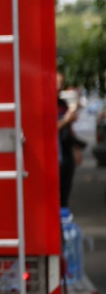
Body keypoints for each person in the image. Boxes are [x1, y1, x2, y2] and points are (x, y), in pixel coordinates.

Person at [56, 69, 84, 208]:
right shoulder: (46, 103)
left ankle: (64, 214)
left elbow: (69, 129)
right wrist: (66, 120)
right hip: (54, 152)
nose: (59, 86)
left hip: (66, 150)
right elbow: (50, 129)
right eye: (56, 82)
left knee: (66, 189)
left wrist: (77, 148)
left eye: (61, 82)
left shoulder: (62, 103)